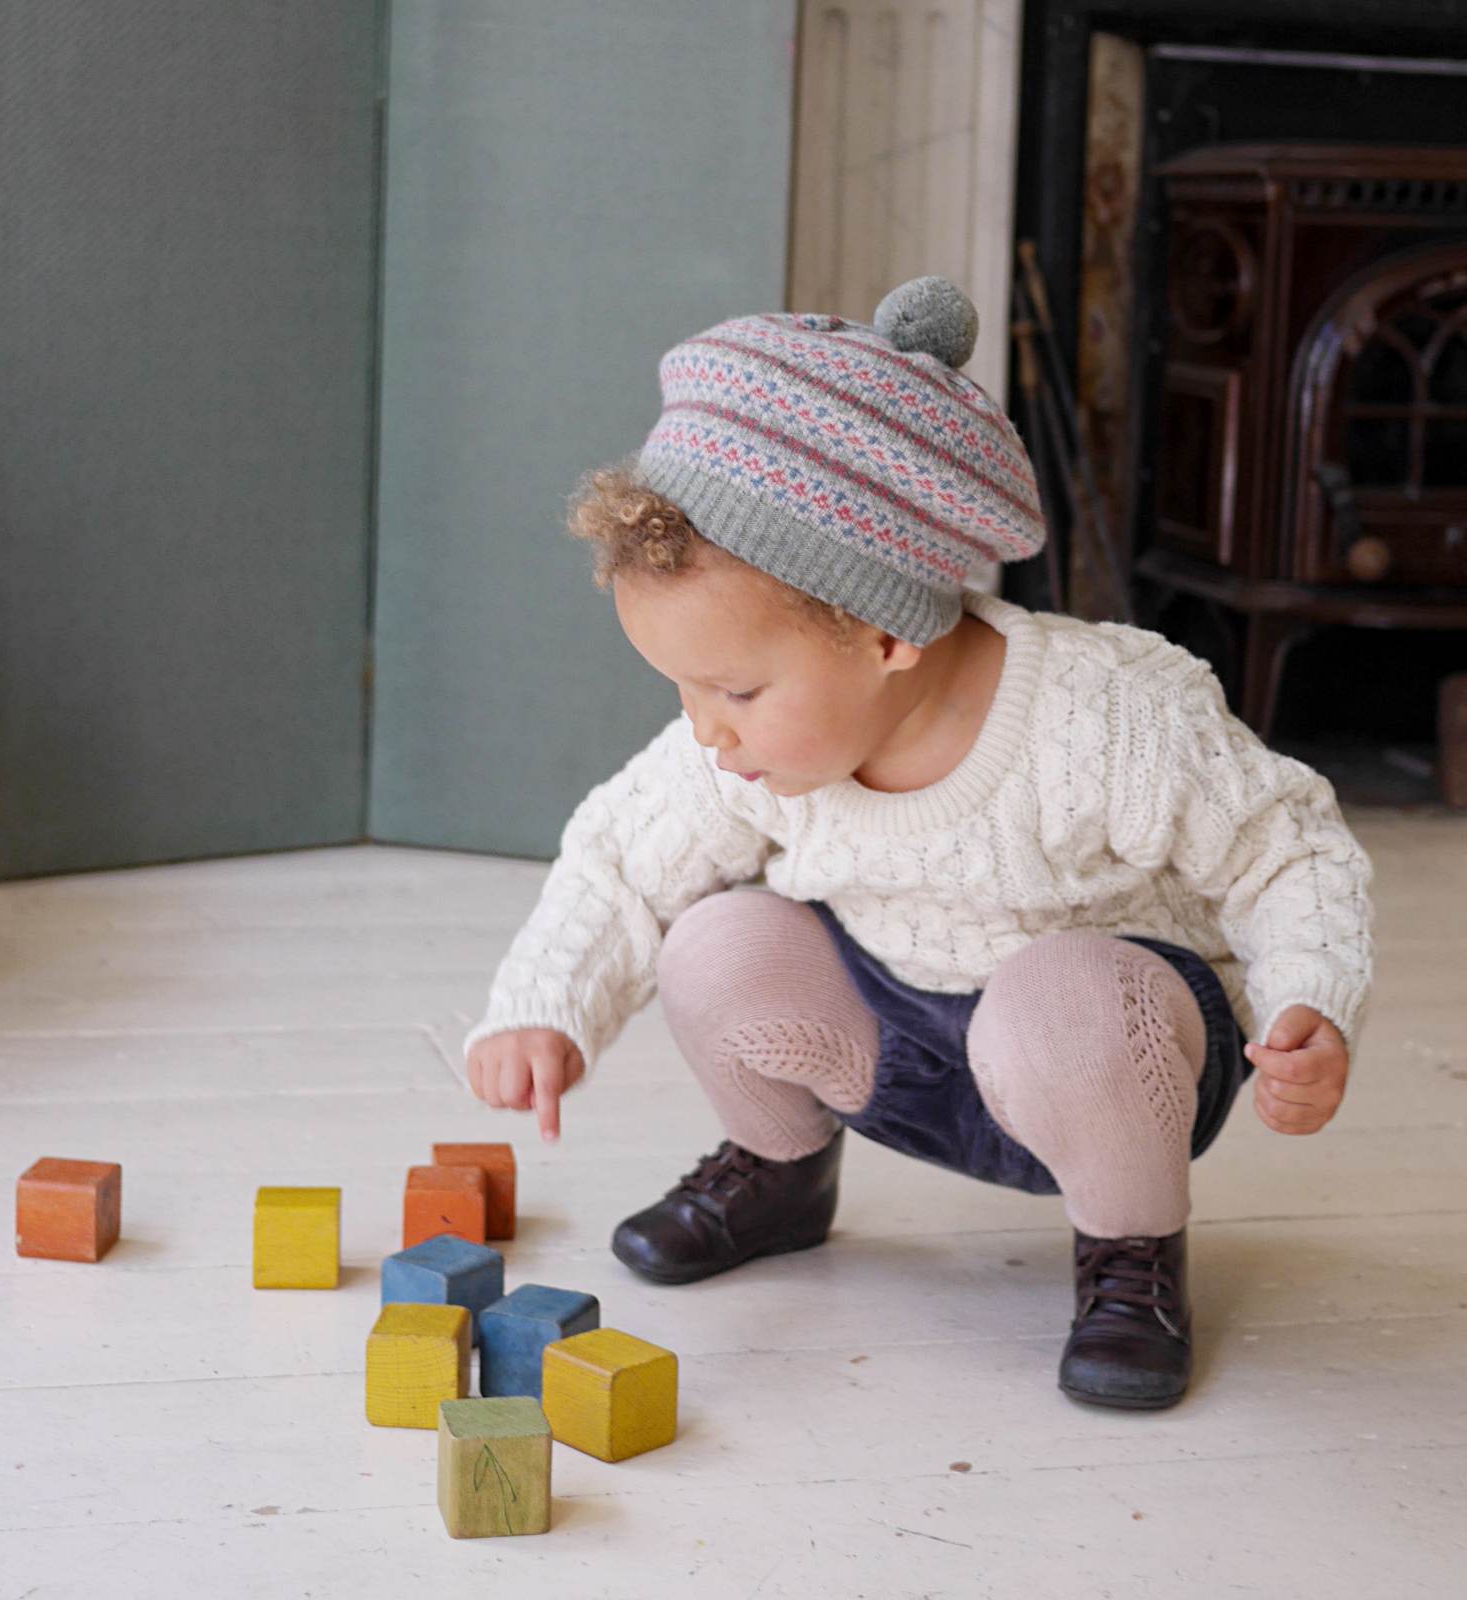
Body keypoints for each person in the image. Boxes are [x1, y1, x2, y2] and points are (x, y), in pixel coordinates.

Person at [459, 276, 1375, 1410]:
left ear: (886, 633)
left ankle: (1131, 1255)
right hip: (894, 1047)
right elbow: (618, 859)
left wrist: (1309, 997)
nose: (705, 727)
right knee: (710, 940)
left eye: (734, 686)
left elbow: (1283, 845)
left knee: (1063, 999)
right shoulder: (742, 754)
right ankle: (780, 1173)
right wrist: (541, 1005)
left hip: (1097, 1064)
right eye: (684, 688)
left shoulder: (1104, 716)